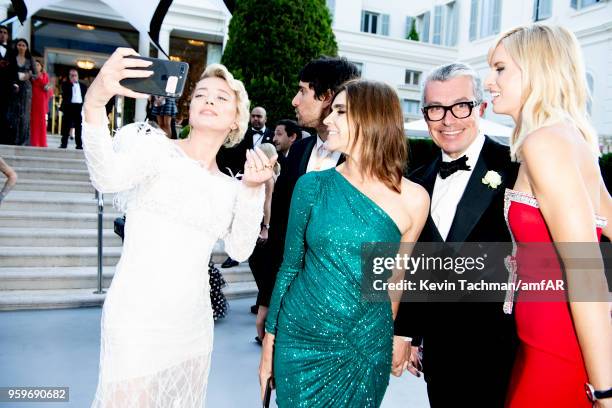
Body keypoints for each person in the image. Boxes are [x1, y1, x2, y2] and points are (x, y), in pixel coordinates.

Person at [82, 47, 276, 407]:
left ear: (237, 119)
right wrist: (95, 102)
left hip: (190, 325)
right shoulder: (154, 150)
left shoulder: (230, 188)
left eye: (221, 97)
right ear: (189, 108)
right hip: (135, 315)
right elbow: (106, 176)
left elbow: (239, 250)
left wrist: (251, 191)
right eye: (200, 94)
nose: (208, 100)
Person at [259, 79, 429, 407]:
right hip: (300, 340)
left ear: (372, 118)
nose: (327, 120)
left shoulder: (414, 198)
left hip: (365, 346)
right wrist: (270, 342)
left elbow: (397, 278)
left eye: (340, 111)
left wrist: (392, 334)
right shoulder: (311, 187)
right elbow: (291, 266)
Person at [485, 24, 612, 408]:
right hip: (543, 343)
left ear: (537, 68)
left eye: (500, 69)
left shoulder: (545, 143)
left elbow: (585, 271)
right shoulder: (568, 137)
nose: (488, 82)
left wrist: (605, 392)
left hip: (556, 352)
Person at [393, 62, 518, 408]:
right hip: (441, 358)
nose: (448, 120)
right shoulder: (417, 182)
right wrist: (406, 332)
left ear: (480, 108)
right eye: (436, 109)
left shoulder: (516, 167)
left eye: (460, 106)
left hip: (506, 353)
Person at [254, 56, 360, 337]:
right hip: (290, 307)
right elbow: (279, 233)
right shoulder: (297, 153)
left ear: (326, 97)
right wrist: (265, 299)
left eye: (302, 91)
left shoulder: (368, 162)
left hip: (345, 318)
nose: (294, 101)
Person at [220, 106, 274, 271]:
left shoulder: (273, 135)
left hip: (267, 178)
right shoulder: (242, 135)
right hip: (242, 180)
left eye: (260, 116)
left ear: (265, 118)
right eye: (254, 116)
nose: (256, 119)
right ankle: (234, 255)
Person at [8, 38, 37, 146]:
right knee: (14, 113)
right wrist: (13, 82)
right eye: (19, 45)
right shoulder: (12, 58)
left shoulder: (30, 60)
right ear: (16, 46)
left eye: (23, 45)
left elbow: (36, 75)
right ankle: (13, 139)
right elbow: (9, 73)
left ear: (26, 47)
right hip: (15, 88)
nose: (21, 47)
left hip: (26, 89)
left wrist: (29, 75)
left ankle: (24, 141)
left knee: (24, 114)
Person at [60, 69, 87, 149]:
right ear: (69, 76)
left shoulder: (83, 86)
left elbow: (85, 97)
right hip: (69, 107)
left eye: (75, 75)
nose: (74, 77)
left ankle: (79, 145)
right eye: (72, 75)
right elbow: (64, 93)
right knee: (66, 127)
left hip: (79, 107)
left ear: (78, 76)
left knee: (79, 127)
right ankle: (64, 144)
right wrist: (71, 83)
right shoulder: (66, 85)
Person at [0, 25, 17, 145]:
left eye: (5, 32)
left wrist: (15, 83)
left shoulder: (11, 51)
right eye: (0, 32)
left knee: (5, 112)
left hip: (6, 87)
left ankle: (4, 138)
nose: (2, 34)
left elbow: (14, 69)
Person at [30, 58, 50, 147]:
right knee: (33, 122)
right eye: (35, 64)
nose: (36, 66)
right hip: (32, 100)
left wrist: (39, 78)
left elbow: (47, 88)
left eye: (38, 65)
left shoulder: (45, 75)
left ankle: (42, 143)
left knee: (41, 123)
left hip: (41, 101)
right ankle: (33, 142)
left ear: (41, 66)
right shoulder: (30, 75)